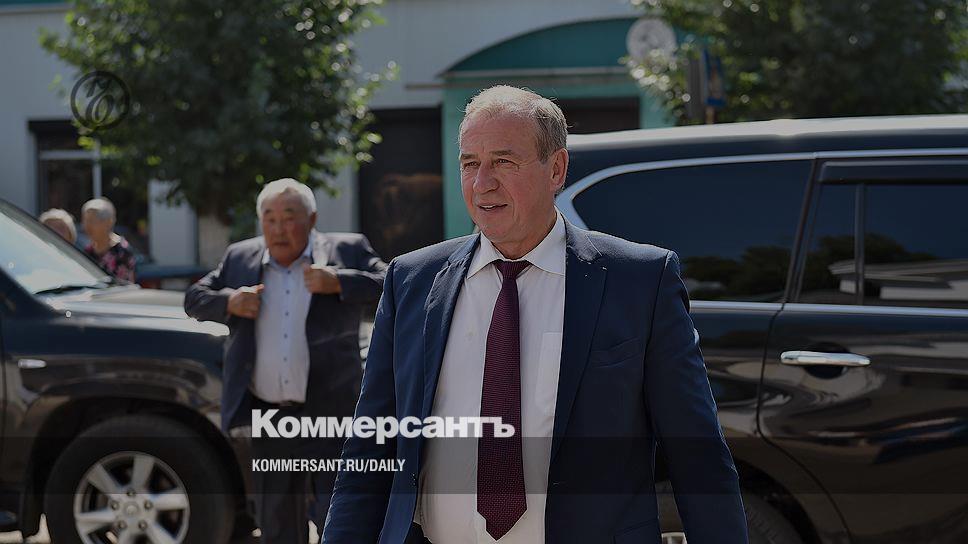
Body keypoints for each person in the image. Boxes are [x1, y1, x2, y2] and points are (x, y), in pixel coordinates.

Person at [322, 86, 749, 544]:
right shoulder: (412, 279)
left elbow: (697, 454)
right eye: (470, 163)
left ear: (556, 169)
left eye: (503, 161)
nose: (482, 183)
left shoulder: (639, 281)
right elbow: (371, 445)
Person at [184, 178, 387, 543]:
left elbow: (392, 282)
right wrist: (229, 301)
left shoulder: (346, 249)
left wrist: (341, 282)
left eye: (289, 217)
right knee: (277, 525)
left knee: (339, 521)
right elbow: (194, 299)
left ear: (312, 220)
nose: (278, 229)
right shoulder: (240, 257)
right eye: (270, 218)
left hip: (332, 414)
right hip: (271, 417)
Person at [80, 198, 137, 282]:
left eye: (92, 221)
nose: (87, 226)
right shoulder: (87, 251)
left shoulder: (122, 252)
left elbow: (127, 285)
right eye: (85, 220)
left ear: (108, 222)